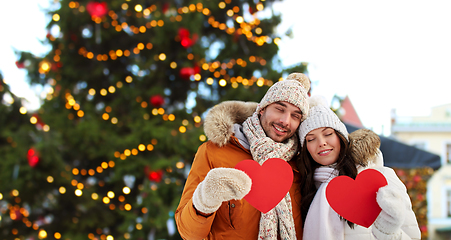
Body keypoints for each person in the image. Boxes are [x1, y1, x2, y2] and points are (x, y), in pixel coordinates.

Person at [175, 73, 311, 240]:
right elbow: (188, 233)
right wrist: (205, 198)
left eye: (295, 115)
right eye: (280, 109)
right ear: (262, 109)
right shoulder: (214, 151)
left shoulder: (301, 162)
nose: (285, 120)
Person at [296, 95, 421, 240]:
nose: (321, 142)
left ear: (341, 137)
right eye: (311, 139)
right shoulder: (306, 188)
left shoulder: (382, 178)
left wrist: (388, 232)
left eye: (328, 134)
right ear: (306, 149)